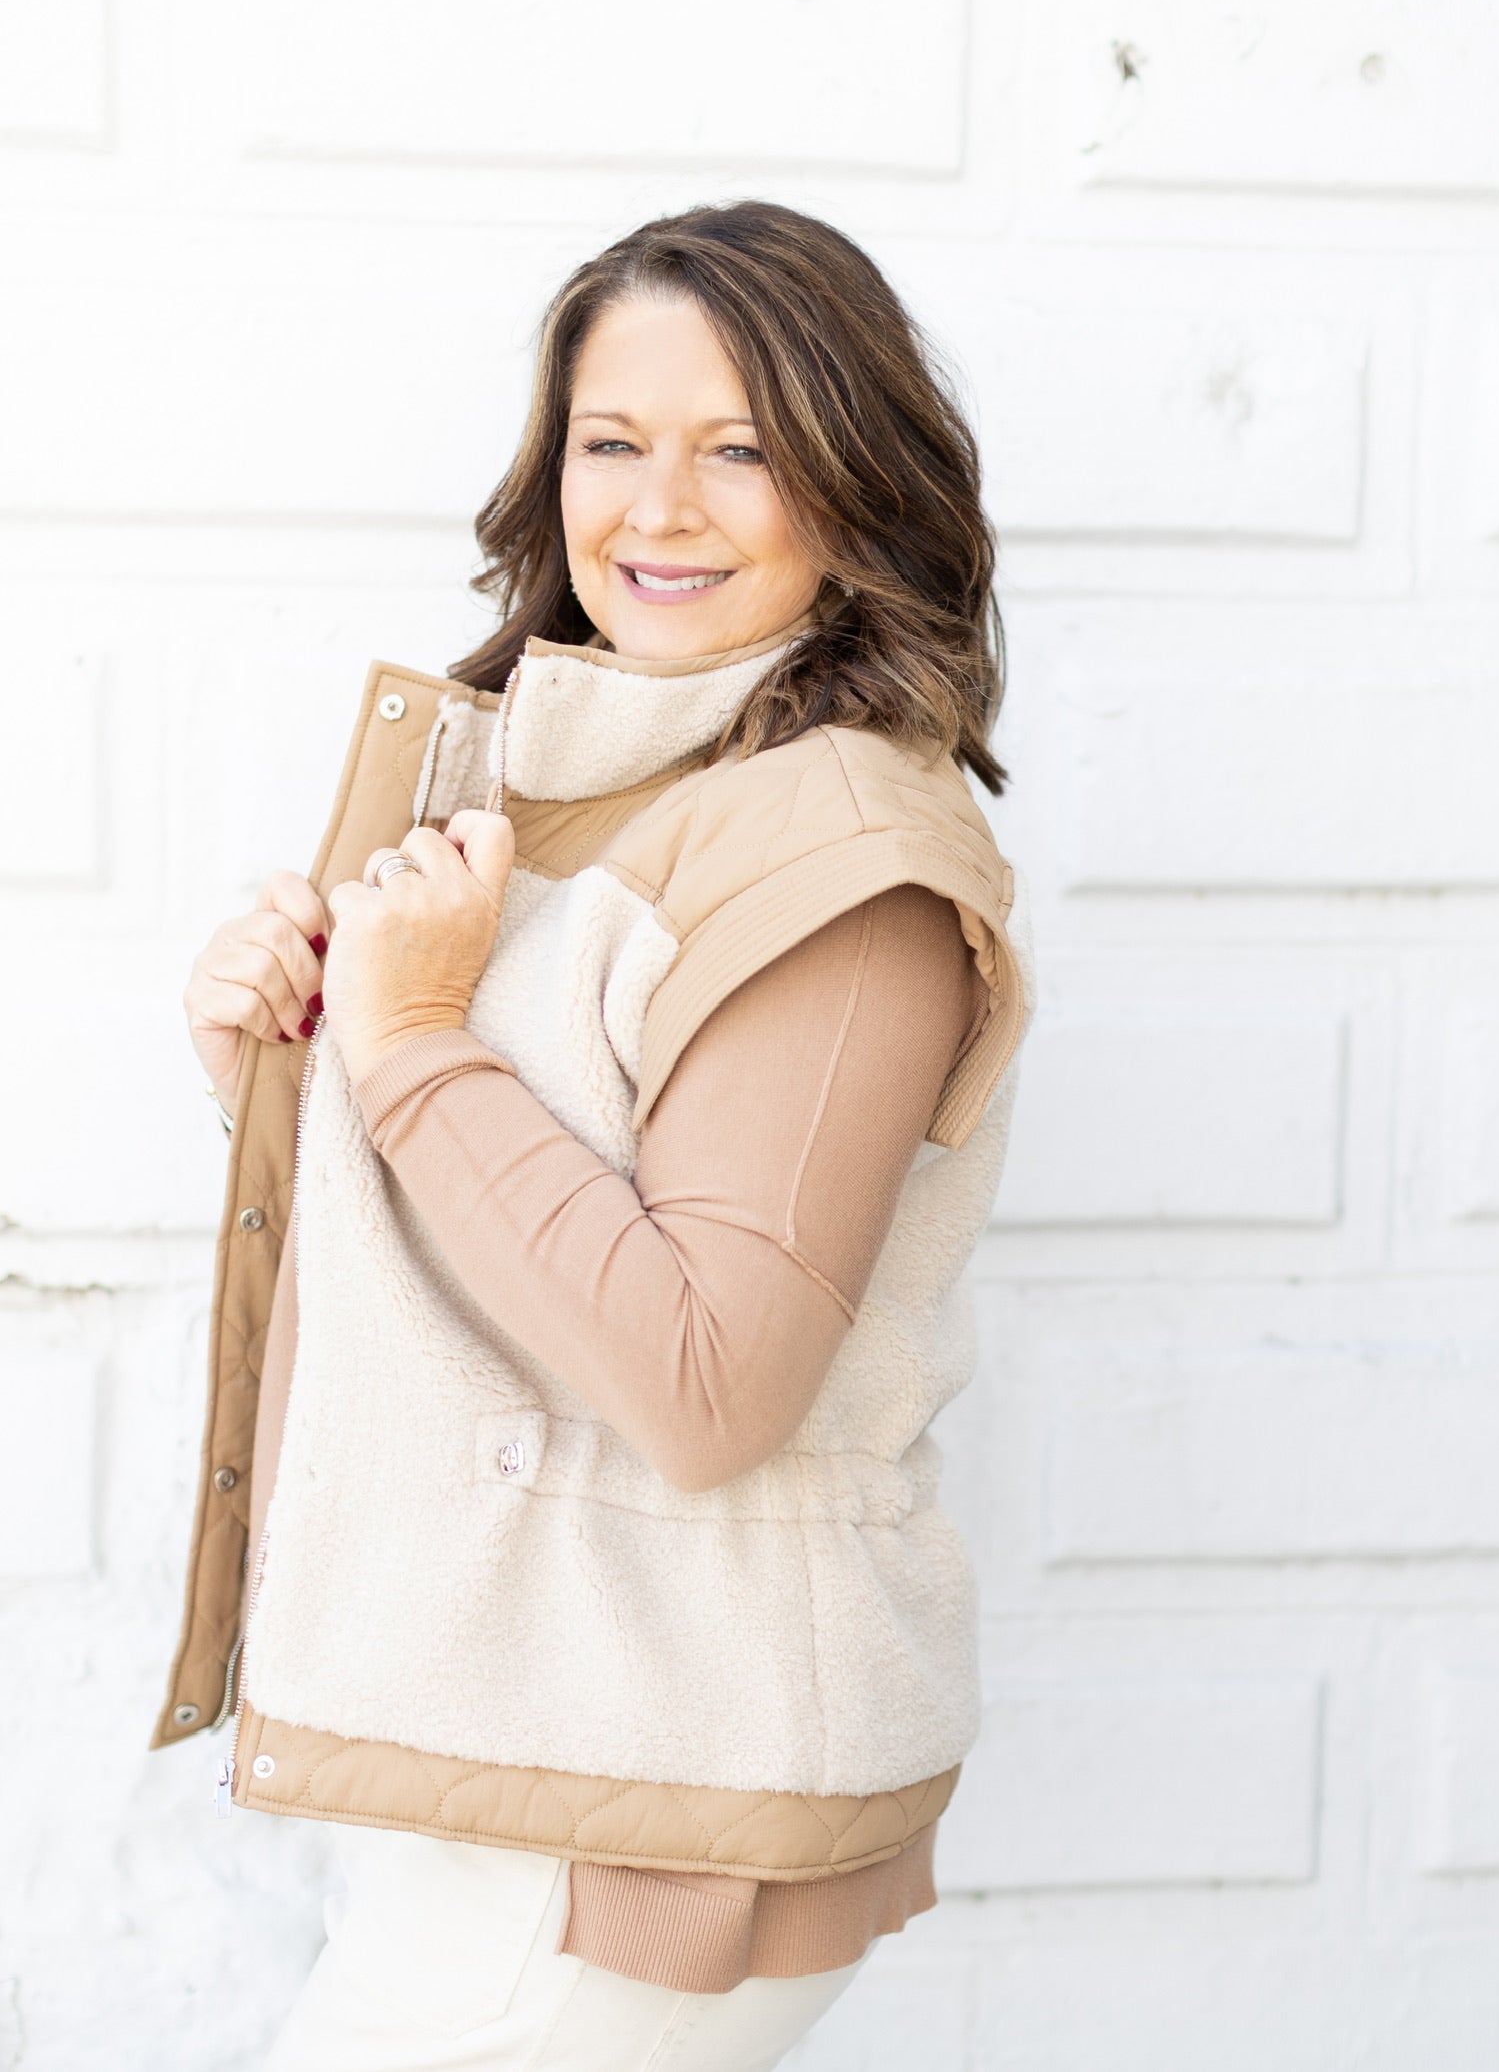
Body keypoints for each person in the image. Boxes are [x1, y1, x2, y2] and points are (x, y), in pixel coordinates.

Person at [163, 201, 1031, 2071]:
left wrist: (403, 1042)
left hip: (627, 1818)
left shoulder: (847, 865)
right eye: (612, 443)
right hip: (519, 1753)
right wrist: (289, 1068)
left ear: (855, 481)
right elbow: (499, 1275)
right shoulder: (581, 781)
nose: (659, 509)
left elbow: (707, 1380)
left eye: (744, 450)